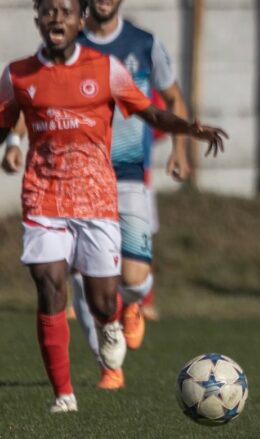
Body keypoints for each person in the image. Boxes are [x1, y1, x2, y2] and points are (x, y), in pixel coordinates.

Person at [0, 0, 226, 413]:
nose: (57, 18)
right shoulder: (17, 74)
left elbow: (150, 111)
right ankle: (64, 395)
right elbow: (6, 118)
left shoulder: (106, 68)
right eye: (48, 10)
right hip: (44, 197)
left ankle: (112, 325)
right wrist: (12, 145)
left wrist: (187, 129)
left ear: (78, 20)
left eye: (66, 11)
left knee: (104, 300)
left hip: (97, 199)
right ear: (37, 18)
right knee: (50, 285)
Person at [62, 0, 192, 391]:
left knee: (134, 279)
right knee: (83, 276)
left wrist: (180, 150)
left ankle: (132, 303)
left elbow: (174, 98)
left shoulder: (145, 43)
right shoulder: (70, 45)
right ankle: (108, 365)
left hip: (130, 175)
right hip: (79, 176)